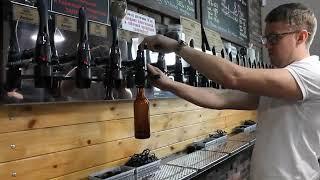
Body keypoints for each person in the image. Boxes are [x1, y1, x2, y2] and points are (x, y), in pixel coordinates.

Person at [141, 3, 319, 180]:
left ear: (301, 37)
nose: (267, 46)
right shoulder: (283, 80)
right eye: (266, 39)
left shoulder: (311, 73)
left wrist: (177, 47)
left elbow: (233, 76)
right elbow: (221, 97)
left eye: (274, 38)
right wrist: (168, 84)